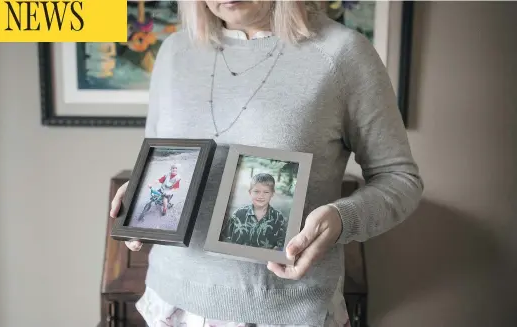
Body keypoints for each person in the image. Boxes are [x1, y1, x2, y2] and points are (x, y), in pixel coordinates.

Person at [108, 1, 424, 327]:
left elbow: (400, 178)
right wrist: (143, 194)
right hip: (168, 303)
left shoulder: (342, 53)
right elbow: (161, 155)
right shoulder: (173, 52)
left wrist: (342, 219)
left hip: (284, 313)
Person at [220, 173, 287, 250]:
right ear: (250, 192)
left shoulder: (278, 217)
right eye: (256, 191)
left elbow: (281, 246)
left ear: (272, 194)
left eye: (266, 192)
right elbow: (225, 239)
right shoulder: (238, 214)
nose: (261, 196)